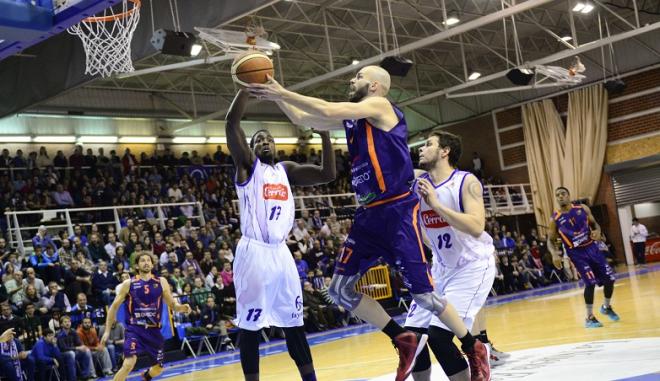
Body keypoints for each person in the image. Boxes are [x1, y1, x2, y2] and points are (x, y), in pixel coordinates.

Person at [249, 67, 488, 380]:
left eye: (358, 77)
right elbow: (303, 119)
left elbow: (326, 108)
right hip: (368, 215)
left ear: (374, 86)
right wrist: (273, 92)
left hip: (397, 211)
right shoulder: (355, 119)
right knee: (338, 291)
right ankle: (401, 337)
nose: (352, 80)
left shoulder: (381, 106)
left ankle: (473, 346)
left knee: (424, 297)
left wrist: (282, 91)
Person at [225, 89, 336, 381]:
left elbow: (327, 174)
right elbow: (230, 124)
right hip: (254, 251)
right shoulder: (248, 167)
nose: (264, 142)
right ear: (250, 149)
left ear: (277, 146)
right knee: (250, 327)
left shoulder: (286, 170)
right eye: (258, 139)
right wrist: (245, 90)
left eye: (269, 139)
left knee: (294, 322)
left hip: (281, 254)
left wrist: (324, 134)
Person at [400, 131, 495, 381]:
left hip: (472, 266)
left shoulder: (466, 181)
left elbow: (476, 226)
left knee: (438, 336)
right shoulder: (418, 185)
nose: (421, 149)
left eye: (428, 144)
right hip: (441, 268)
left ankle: (477, 351)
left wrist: (437, 205)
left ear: (445, 151)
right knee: (412, 338)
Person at [101, 252, 192, 381]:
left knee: (159, 368)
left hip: (154, 331)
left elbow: (172, 304)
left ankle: (146, 376)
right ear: (137, 266)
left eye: (148, 260)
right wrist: (107, 331)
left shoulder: (161, 281)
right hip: (135, 329)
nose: (146, 263)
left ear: (152, 263)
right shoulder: (128, 283)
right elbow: (113, 307)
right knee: (128, 363)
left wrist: (182, 308)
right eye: (142, 260)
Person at [548, 187, 619, 328]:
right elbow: (550, 240)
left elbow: (595, 225)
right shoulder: (555, 219)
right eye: (557, 195)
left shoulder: (583, 208)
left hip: (592, 248)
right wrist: (554, 254)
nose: (560, 197)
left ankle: (606, 307)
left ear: (569, 195)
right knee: (590, 283)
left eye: (563, 194)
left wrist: (598, 231)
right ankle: (589, 317)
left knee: (610, 279)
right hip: (576, 253)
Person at [57, 315, 96, 380]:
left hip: (73, 352)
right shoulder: (59, 334)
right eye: (65, 322)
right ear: (61, 324)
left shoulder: (73, 331)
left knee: (86, 351)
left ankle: (85, 376)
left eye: (69, 321)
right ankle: (73, 378)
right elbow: (63, 348)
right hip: (63, 355)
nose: (67, 323)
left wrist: (82, 346)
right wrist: (77, 348)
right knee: (71, 353)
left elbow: (79, 343)